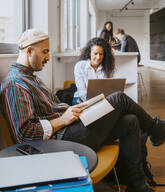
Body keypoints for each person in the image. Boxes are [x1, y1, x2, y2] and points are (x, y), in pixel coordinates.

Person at [1, 30, 165, 192]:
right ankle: (156, 128)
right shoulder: (15, 84)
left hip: (71, 127)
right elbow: (24, 135)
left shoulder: (31, 77)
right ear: (29, 50)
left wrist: (74, 109)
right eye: (45, 52)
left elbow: (52, 109)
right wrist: (62, 120)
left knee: (130, 121)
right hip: (61, 139)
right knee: (119, 98)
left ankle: (137, 185)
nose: (48, 57)